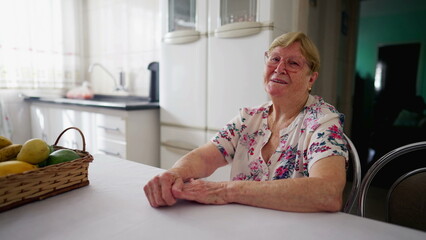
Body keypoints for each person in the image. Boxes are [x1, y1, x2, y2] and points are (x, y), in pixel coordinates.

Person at [144, 32, 348, 213]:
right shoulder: (249, 118)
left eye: (293, 63)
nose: (279, 68)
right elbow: (205, 157)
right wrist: (174, 174)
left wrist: (226, 190)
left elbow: (328, 192)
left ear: (311, 79)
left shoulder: (322, 120)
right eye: (274, 59)